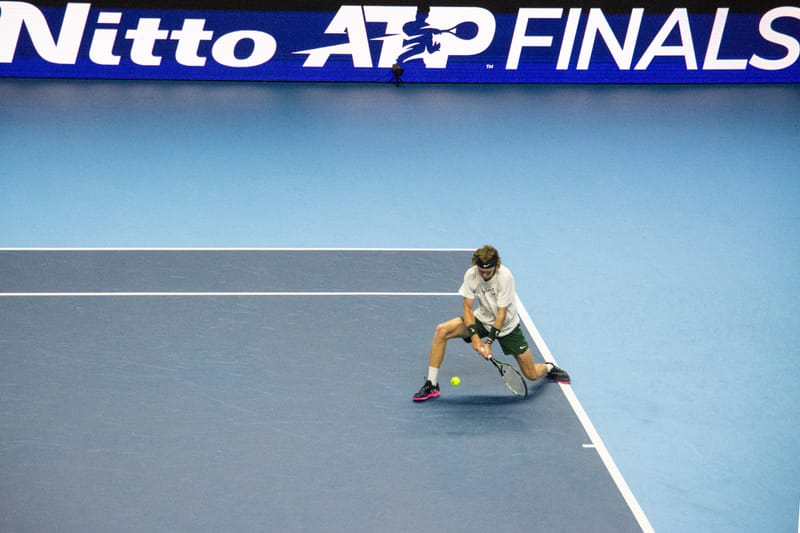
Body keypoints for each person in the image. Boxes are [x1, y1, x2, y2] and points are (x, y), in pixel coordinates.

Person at [413, 245, 570, 401]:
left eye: (489, 271)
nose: (485, 274)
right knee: (442, 330)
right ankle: (431, 384)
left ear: (497, 266)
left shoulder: (505, 277)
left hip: (507, 327)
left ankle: (549, 367)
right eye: (482, 271)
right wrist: (474, 337)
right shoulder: (471, 274)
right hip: (482, 318)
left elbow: (501, 315)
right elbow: (467, 307)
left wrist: (488, 343)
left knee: (531, 374)